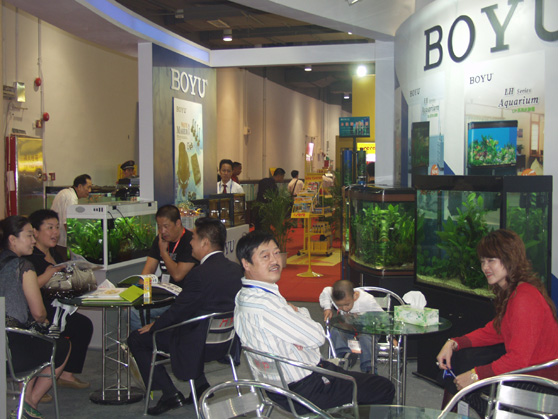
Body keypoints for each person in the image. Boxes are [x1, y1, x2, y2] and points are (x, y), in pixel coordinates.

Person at [234, 230, 395, 413]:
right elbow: (318, 337)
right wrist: (299, 313)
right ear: (246, 263)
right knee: (383, 387)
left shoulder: (243, 296)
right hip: (304, 389)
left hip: (275, 386)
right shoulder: (266, 305)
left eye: (276, 253)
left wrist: (294, 317)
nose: (274, 260)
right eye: (265, 256)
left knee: (353, 379)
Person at [127, 217, 243, 416]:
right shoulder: (236, 269)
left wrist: (154, 326)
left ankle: (169, 393)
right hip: (225, 340)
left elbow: (178, 312)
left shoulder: (199, 274)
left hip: (198, 344)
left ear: (205, 243)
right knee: (187, 329)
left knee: (137, 338)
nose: (190, 243)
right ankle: (200, 386)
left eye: (194, 238)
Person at [436, 229, 558, 413]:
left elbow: (518, 359)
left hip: (540, 383)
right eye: (483, 261)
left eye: (491, 260)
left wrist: (475, 376)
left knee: (467, 377)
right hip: (528, 373)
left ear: (510, 258)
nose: (485, 267)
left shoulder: (524, 297)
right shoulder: (515, 291)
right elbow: (495, 330)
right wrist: (454, 343)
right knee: (462, 359)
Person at [0, 215, 71, 419]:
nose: (33, 240)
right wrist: (44, 321)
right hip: (14, 351)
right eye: (29, 235)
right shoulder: (23, 267)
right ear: (12, 239)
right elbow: (39, 313)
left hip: (5, 345)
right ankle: (30, 402)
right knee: (60, 344)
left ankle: (26, 402)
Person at [26, 209, 94, 390]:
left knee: (83, 325)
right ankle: (35, 384)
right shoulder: (30, 258)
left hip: (58, 307)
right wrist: (50, 274)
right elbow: (29, 286)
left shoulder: (57, 253)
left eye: (57, 227)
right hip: (39, 310)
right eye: (50, 227)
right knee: (64, 330)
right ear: (35, 232)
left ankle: (66, 374)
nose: (55, 232)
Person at [129, 204, 197, 331]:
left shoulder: (190, 241)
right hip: (162, 293)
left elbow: (177, 275)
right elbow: (148, 271)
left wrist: (164, 252)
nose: (162, 231)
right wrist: (133, 296)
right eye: (159, 227)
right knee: (131, 308)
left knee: (135, 312)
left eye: (166, 226)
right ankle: (149, 338)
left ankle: (146, 340)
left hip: (181, 298)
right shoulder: (159, 240)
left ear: (178, 223)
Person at [319, 279, 383, 373]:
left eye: (347, 304)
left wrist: (392, 337)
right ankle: (343, 358)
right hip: (348, 328)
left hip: (367, 329)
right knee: (335, 331)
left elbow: (382, 317)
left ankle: (369, 368)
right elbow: (326, 291)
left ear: (354, 295)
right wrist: (327, 308)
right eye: (339, 306)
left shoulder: (367, 300)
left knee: (366, 339)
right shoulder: (334, 293)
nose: (344, 308)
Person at [50, 174, 92, 247]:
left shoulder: (66, 193)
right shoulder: (71, 198)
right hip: (61, 242)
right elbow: (67, 223)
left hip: (55, 239)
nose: (89, 190)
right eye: (88, 187)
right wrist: (77, 242)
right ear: (80, 187)